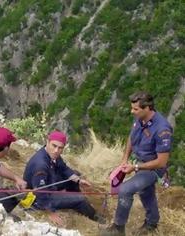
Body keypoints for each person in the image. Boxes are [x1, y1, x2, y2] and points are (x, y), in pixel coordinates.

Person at [100, 91, 173, 236]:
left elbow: (161, 161)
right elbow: (132, 137)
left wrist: (136, 167)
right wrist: (124, 159)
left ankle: (118, 229)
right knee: (146, 192)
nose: (131, 111)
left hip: (154, 169)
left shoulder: (162, 129)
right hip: (139, 163)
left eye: (135, 109)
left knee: (126, 190)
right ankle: (152, 222)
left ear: (147, 108)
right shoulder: (140, 120)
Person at [23, 130, 105, 226]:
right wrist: (50, 212)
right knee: (80, 199)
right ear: (47, 142)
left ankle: (74, 202)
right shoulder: (40, 164)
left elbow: (63, 168)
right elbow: (40, 191)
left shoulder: (51, 154)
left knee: (75, 176)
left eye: (60, 148)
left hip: (50, 183)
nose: (56, 150)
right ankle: (96, 217)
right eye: (54, 146)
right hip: (37, 198)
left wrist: (78, 180)